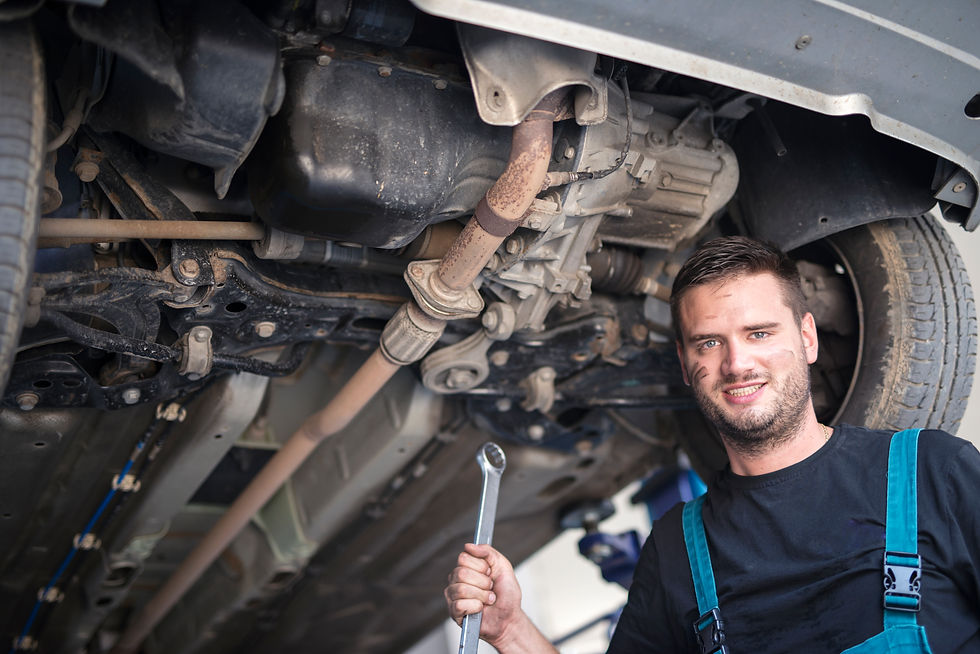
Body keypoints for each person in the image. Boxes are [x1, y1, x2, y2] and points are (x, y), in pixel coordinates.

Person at [444, 235, 980, 652]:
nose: (737, 363)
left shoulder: (934, 473)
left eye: (760, 333)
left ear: (808, 338)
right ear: (685, 364)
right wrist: (510, 629)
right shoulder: (678, 551)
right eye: (710, 342)